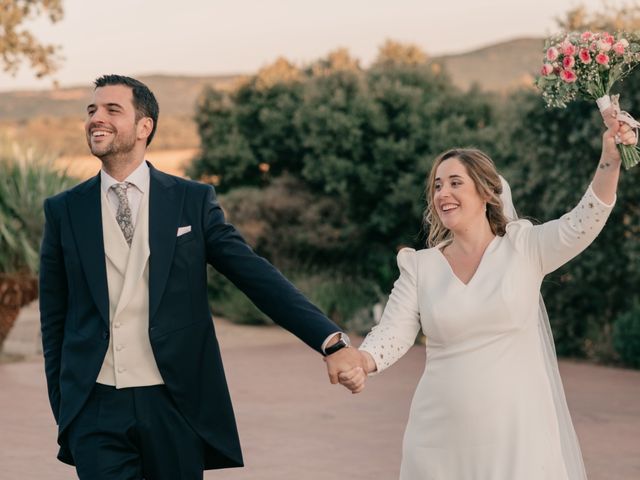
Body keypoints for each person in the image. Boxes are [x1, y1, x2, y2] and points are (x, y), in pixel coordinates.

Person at [39, 74, 363, 480]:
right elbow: (53, 318)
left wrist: (331, 340)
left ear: (144, 127)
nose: (95, 118)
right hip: (96, 407)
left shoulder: (191, 200)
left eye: (111, 109)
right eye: (91, 110)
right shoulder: (64, 210)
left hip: (175, 402)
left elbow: (254, 276)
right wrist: (67, 404)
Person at [337, 107, 634, 479]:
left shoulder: (524, 247)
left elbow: (584, 221)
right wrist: (363, 361)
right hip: (438, 437)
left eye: (455, 182)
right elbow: (393, 332)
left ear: (487, 192)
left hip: (517, 434)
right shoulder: (420, 266)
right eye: (437, 185)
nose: (443, 192)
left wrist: (610, 157)